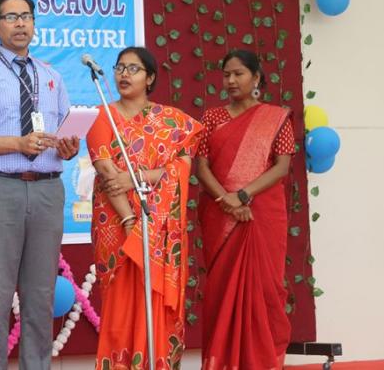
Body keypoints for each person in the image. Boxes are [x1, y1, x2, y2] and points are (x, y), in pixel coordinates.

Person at [0, 0, 79, 369]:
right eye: (11, 17)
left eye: (26, 16)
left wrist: (68, 147)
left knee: (40, 294)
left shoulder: (51, 76)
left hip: (47, 189)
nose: (20, 24)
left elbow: (62, 134)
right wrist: (16, 143)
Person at [86, 46, 203, 370]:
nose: (124, 74)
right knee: (121, 307)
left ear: (150, 78)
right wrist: (128, 220)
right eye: (120, 67)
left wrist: (134, 177)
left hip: (159, 226)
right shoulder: (101, 116)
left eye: (133, 69)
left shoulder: (172, 121)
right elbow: (107, 172)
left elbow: (180, 168)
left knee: (155, 304)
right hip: (116, 224)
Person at [196, 49, 294, 370]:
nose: (231, 80)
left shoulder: (276, 118)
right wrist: (227, 200)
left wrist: (243, 195)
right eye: (226, 74)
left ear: (256, 78)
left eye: (238, 74)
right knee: (222, 292)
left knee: (264, 291)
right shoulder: (212, 117)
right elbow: (201, 167)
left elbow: (281, 167)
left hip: (262, 214)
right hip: (220, 213)